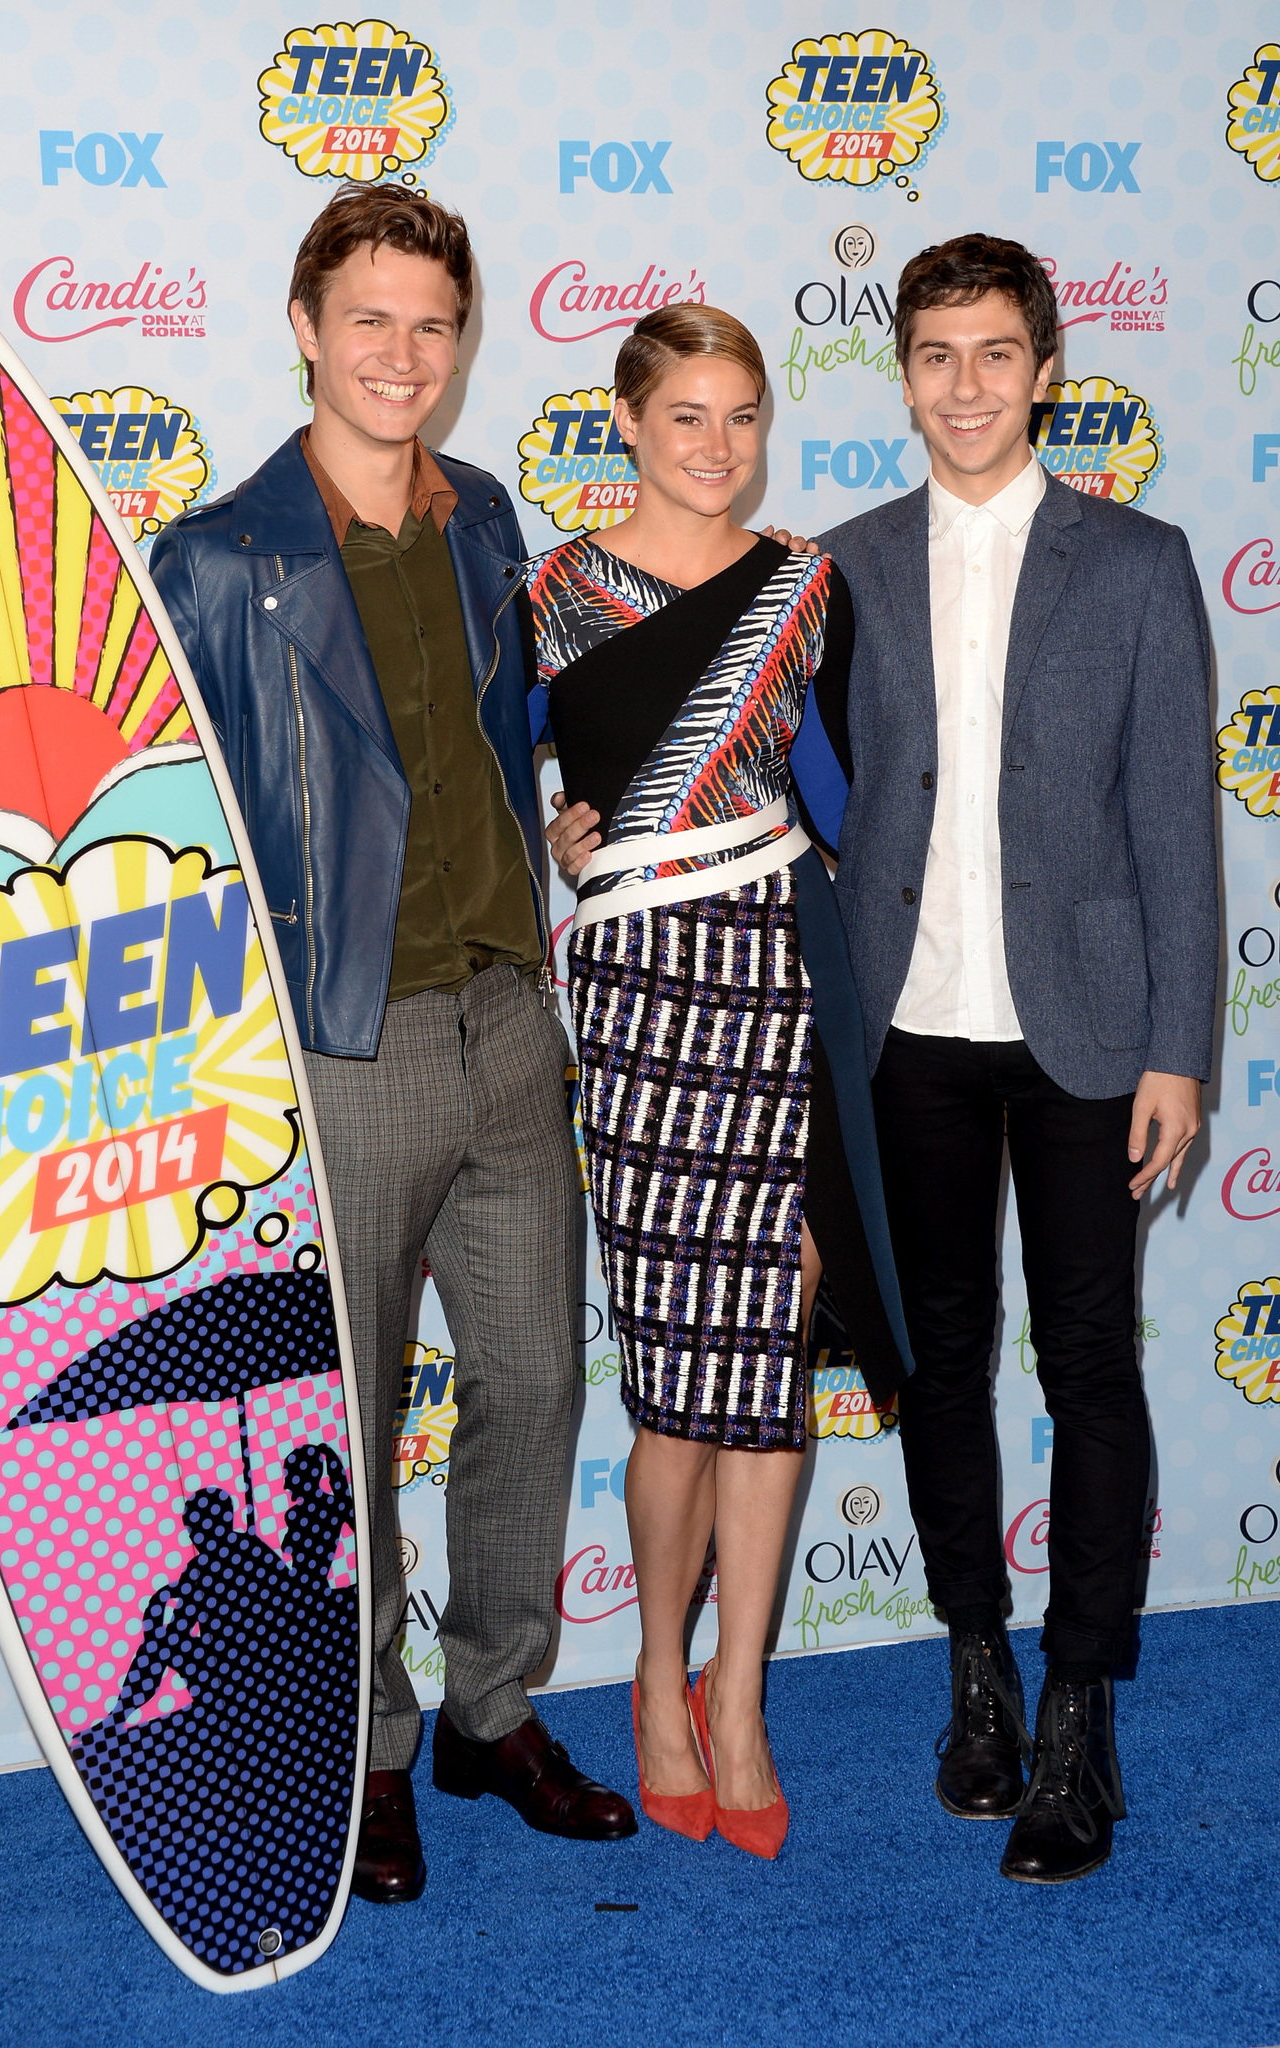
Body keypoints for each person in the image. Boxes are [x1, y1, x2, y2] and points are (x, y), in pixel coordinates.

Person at [0, 181, 637, 1903]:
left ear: (460, 343)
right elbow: (89, 762)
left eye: (432, 324)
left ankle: (492, 1708)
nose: (401, 354)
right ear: (306, 328)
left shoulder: (490, 519)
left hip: (511, 1017)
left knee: (537, 1386)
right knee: (358, 1405)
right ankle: (377, 1745)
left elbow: (517, 732)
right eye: (371, 321)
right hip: (340, 1043)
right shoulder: (214, 555)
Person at [821, 234, 1217, 1883]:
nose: (964, 385)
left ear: (1042, 367)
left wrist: (1178, 1052)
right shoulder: (834, 565)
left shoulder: (1133, 561)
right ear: (900, 370)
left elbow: (1175, 829)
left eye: (995, 353)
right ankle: (973, 1670)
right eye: (934, 353)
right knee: (935, 1366)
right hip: (906, 1032)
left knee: (1088, 1373)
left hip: (1086, 1036)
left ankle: (1077, 1713)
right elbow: (793, 803)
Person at [539, 304, 912, 1858]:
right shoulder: (550, 593)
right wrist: (565, 827)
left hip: (782, 973)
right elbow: (523, 780)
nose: (716, 444)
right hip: (637, 999)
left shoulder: (804, 585)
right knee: (678, 1375)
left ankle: (739, 1697)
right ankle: (649, 1676)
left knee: (766, 1349)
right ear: (626, 420)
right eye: (685, 414)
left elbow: (845, 786)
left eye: (742, 415)